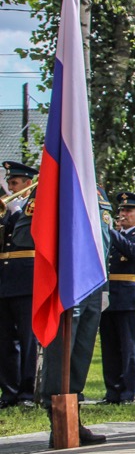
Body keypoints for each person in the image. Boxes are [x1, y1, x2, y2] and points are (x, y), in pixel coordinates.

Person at [40, 186, 115, 446]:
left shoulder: (99, 193)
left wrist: (104, 287)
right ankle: (57, 418)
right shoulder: (54, 184)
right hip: (65, 281)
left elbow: (104, 241)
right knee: (61, 351)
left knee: (81, 352)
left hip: (93, 284)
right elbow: (28, 234)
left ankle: (74, 416)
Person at [98, 192, 135, 404]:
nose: (123, 214)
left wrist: (111, 231)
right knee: (109, 346)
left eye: (129, 210)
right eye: (121, 210)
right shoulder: (112, 236)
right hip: (107, 294)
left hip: (128, 297)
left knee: (128, 346)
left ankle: (129, 391)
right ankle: (112, 391)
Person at [0, 161, 39, 409]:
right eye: (8, 182)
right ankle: (9, 390)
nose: (9, 187)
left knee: (28, 339)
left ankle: (27, 391)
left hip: (27, 279)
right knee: (4, 340)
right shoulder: (6, 211)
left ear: (27, 185)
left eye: (14, 183)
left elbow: (30, 237)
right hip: (4, 281)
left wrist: (14, 212)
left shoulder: (33, 208)